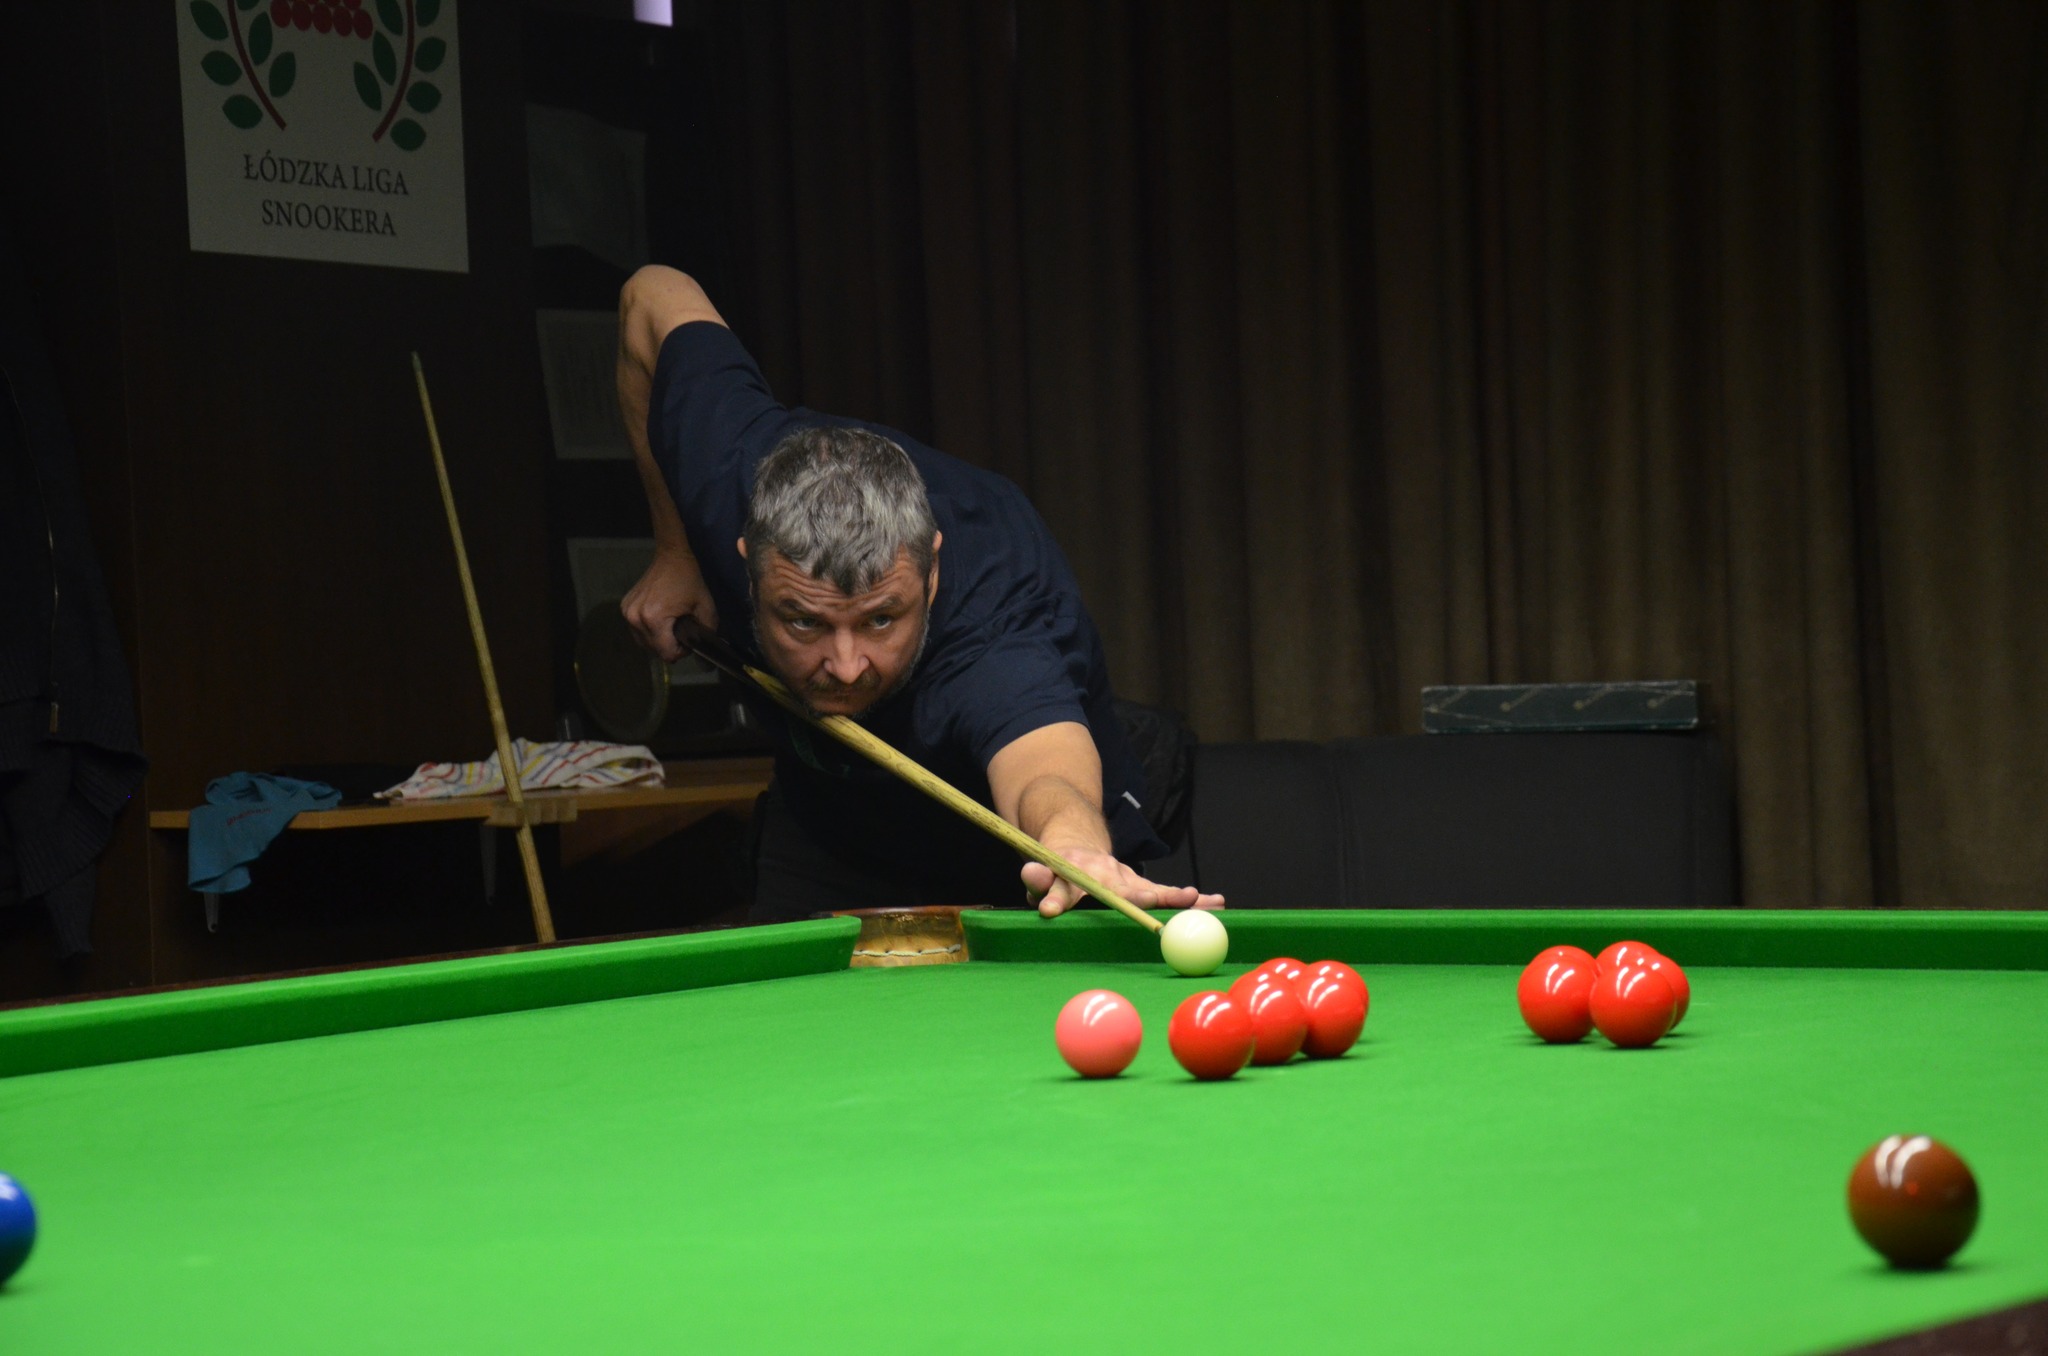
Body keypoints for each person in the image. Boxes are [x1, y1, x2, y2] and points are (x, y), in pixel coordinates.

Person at [614, 266, 1221, 922]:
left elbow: (1045, 764)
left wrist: (1072, 846)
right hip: (831, 825)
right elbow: (652, 295)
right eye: (804, 622)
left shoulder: (993, 622)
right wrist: (676, 553)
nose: (846, 665)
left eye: (881, 620)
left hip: (1013, 865)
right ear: (749, 568)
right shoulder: (726, 472)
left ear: (930, 573)